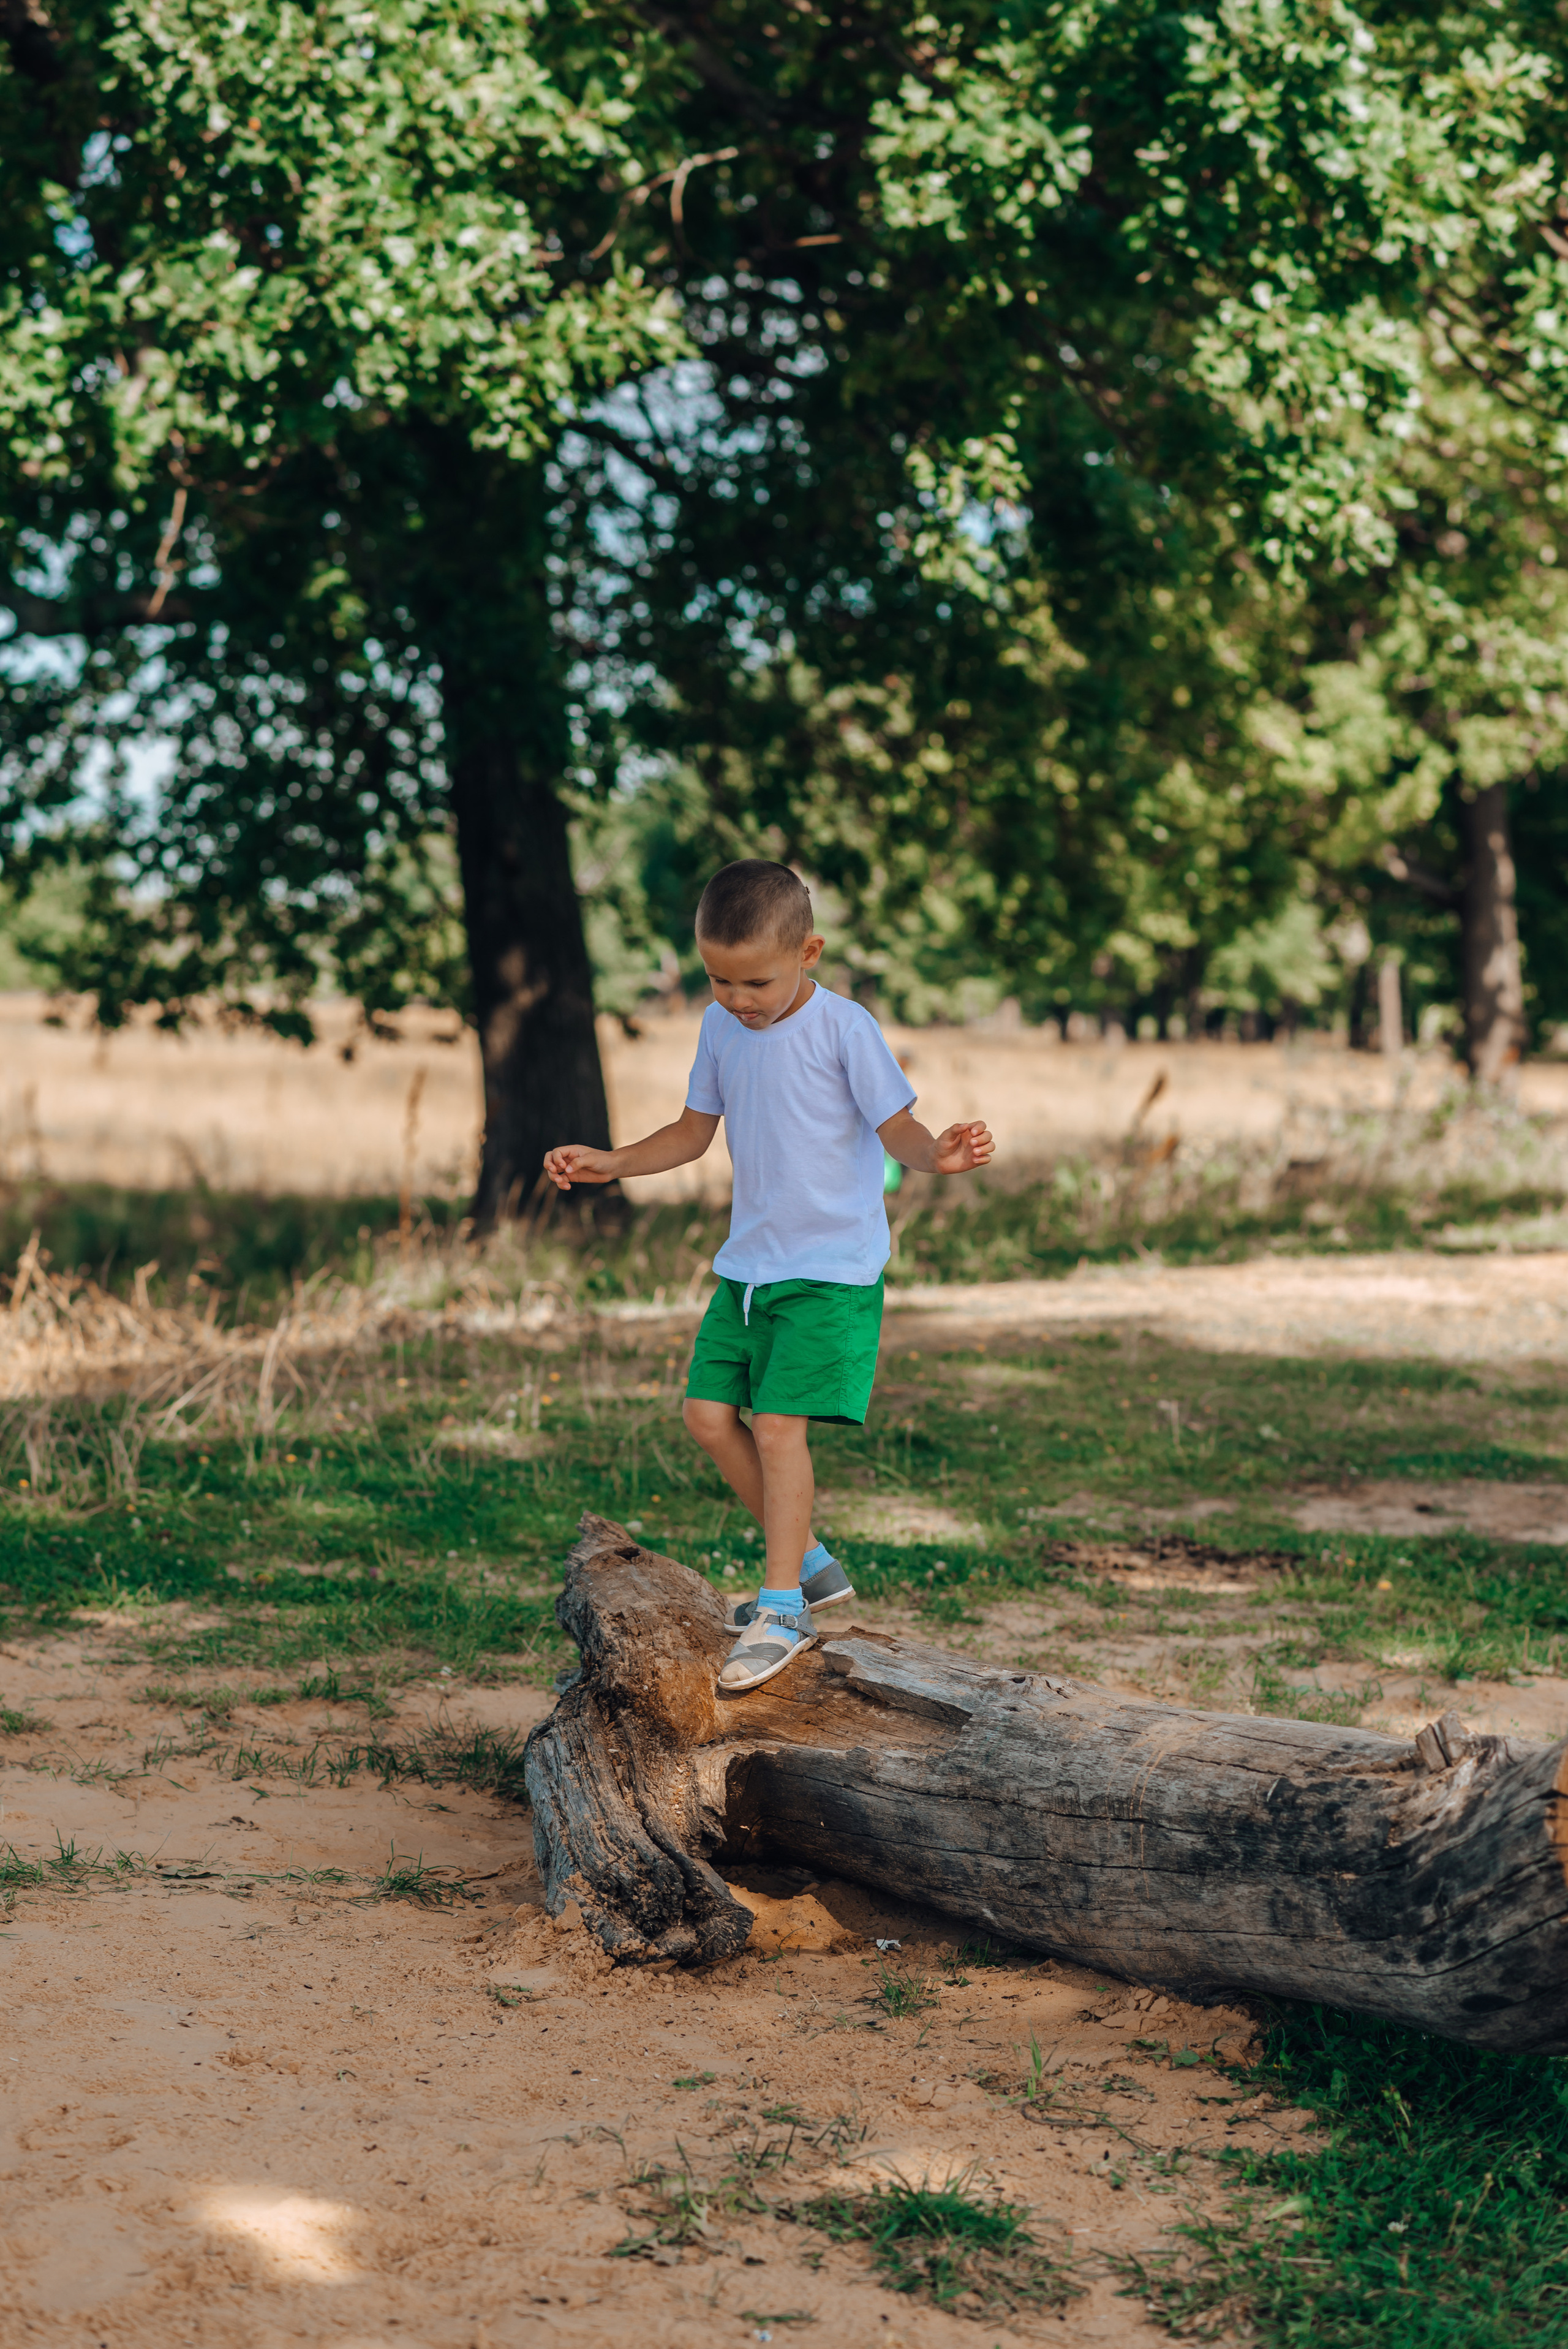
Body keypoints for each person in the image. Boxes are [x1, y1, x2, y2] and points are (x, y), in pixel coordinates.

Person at [542, 859, 993, 1693]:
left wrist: (937, 1154)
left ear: (808, 953)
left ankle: (784, 1608)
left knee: (781, 1427)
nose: (738, 998)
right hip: (749, 1268)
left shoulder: (844, 1028)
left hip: (830, 1272)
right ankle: (809, 1558)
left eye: (756, 981)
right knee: (707, 1416)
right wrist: (611, 1162)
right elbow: (692, 1132)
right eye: (719, 979)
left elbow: (896, 1128)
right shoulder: (720, 1030)